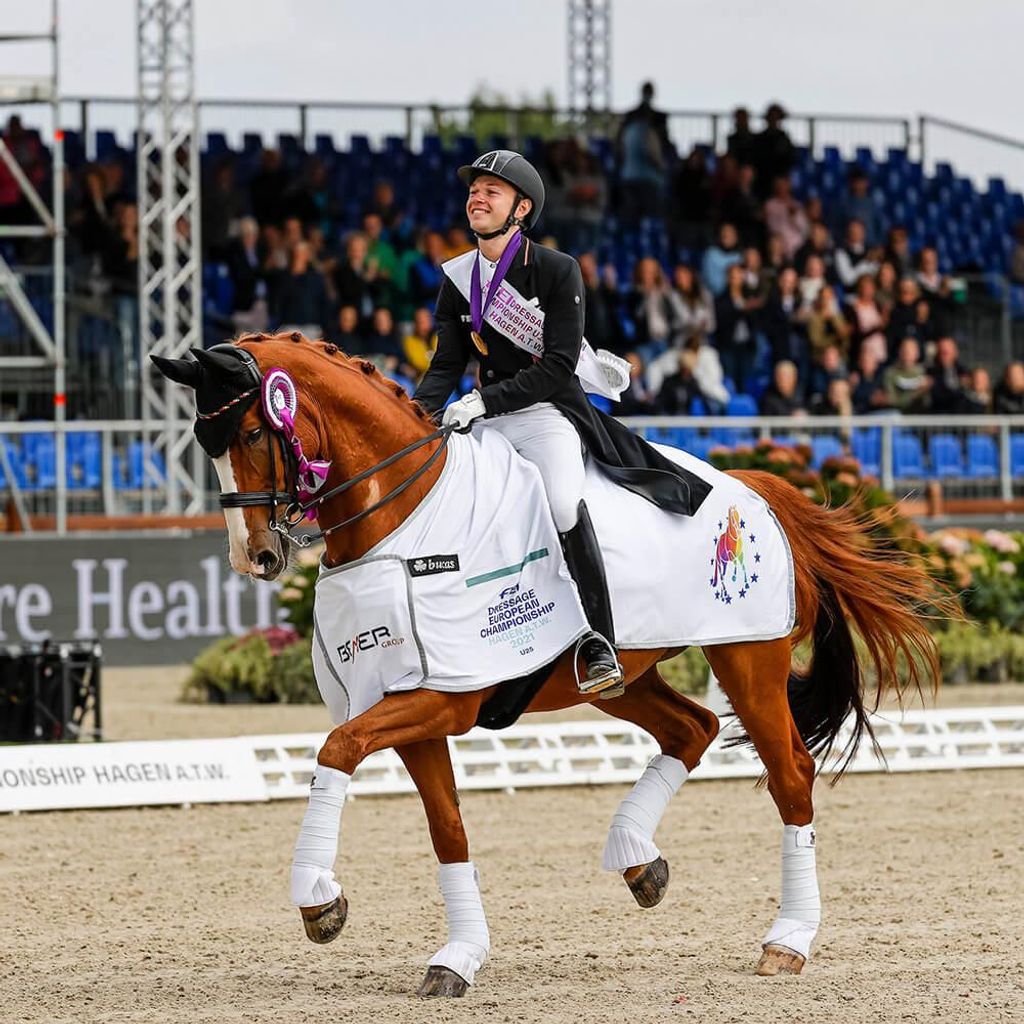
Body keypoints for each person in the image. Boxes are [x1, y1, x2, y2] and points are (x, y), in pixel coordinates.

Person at [414, 150, 711, 694]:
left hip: (546, 414)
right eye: (474, 189)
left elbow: (555, 367)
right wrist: (415, 417)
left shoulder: (556, 270)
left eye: (491, 192)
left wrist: (484, 402)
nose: (476, 198)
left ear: (521, 209)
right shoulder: (458, 278)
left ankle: (598, 640)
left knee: (558, 504)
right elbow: (446, 364)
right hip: (486, 421)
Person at [616, 82, 671, 222]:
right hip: (648, 178)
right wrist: (661, 167)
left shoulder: (629, 125)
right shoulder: (649, 129)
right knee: (649, 217)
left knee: (632, 218)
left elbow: (619, 149)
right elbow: (654, 153)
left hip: (630, 175)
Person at [714, 263, 756, 395]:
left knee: (745, 380)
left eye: (739, 276)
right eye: (733, 276)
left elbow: (756, 320)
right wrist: (740, 310)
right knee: (730, 380)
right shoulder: (721, 299)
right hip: (728, 345)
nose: (736, 279)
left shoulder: (749, 297)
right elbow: (721, 321)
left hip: (746, 345)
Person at [764, 176, 809, 260]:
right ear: (775, 188)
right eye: (779, 186)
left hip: (797, 248)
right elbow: (771, 227)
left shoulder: (796, 205)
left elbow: (804, 229)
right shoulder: (770, 205)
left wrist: (794, 215)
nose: (782, 188)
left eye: (784, 185)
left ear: (789, 186)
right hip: (779, 249)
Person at [883, 338, 931, 412]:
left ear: (917, 353)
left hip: (921, 414)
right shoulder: (890, 373)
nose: (906, 354)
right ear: (899, 352)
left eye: (910, 351)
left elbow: (927, 402)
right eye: (904, 350)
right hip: (898, 416)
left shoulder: (923, 372)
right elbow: (892, 401)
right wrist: (916, 394)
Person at [927, 336, 969, 415]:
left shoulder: (964, 373)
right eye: (942, 352)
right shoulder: (931, 373)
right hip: (938, 416)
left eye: (947, 352)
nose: (945, 355)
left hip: (961, 417)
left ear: (955, 352)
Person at [701, 222, 743, 296]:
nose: (727, 236)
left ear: (736, 237)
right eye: (724, 233)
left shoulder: (739, 256)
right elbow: (712, 283)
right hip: (716, 296)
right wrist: (729, 281)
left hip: (737, 296)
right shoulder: (711, 254)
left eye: (731, 233)